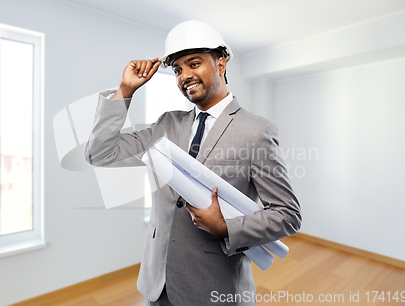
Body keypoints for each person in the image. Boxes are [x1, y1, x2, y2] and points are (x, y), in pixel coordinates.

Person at [85, 20, 301, 306]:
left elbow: (287, 214)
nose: (184, 75)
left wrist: (226, 227)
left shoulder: (256, 131)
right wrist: (125, 91)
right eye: (177, 69)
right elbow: (100, 152)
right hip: (157, 283)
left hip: (212, 288)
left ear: (221, 64)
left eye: (194, 63)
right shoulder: (167, 124)